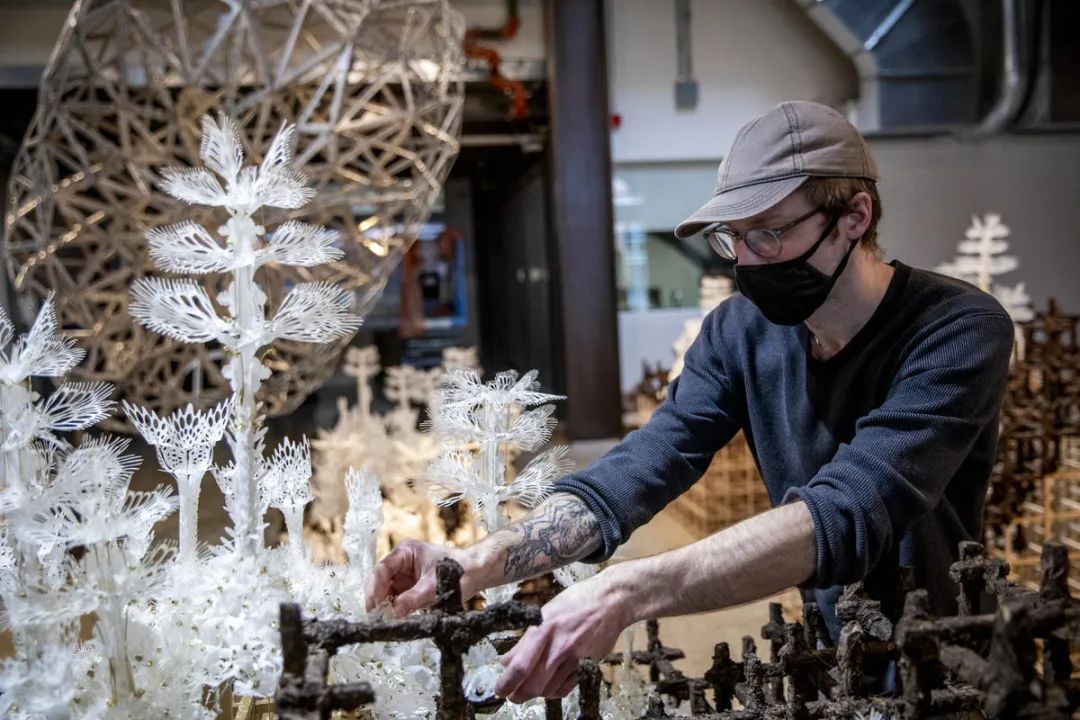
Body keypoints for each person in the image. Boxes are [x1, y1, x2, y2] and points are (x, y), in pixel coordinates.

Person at [365, 101, 1015, 702]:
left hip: (943, 648)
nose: (748, 261)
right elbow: (649, 461)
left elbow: (851, 510)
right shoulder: (740, 331)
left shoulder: (958, 329)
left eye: (770, 233)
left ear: (855, 216)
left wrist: (625, 590)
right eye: (734, 237)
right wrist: (477, 561)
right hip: (831, 642)